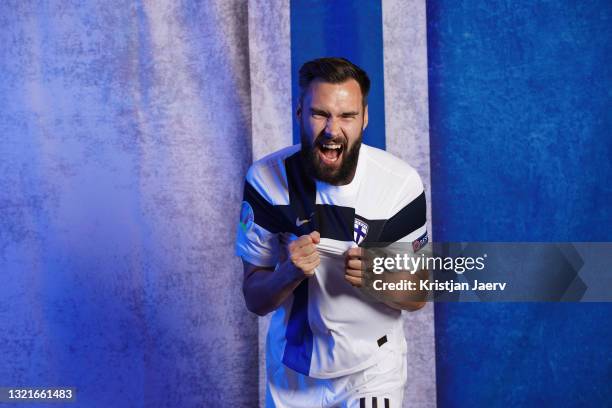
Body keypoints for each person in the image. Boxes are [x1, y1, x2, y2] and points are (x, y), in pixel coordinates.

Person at [236, 57, 428, 408]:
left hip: (372, 367)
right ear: (299, 113)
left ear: (365, 117)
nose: (332, 129)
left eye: (347, 116)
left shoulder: (400, 183)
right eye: (320, 113)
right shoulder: (265, 180)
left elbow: (418, 293)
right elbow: (254, 298)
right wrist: (287, 274)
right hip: (293, 372)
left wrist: (380, 276)